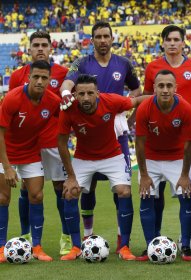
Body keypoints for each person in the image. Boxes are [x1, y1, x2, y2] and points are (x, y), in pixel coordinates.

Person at [60, 21, 141, 255]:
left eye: (106, 36)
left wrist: (128, 119)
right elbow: (68, 82)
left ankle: (120, 241)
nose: (103, 40)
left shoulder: (124, 63)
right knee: (88, 188)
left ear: (112, 38)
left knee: (122, 188)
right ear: (92, 40)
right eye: (98, 36)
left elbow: (136, 92)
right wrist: (66, 92)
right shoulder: (82, 62)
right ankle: (87, 238)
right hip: (88, 128)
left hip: (115, 128)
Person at [141, 25, 191, 258]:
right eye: (168, 39)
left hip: (187, 136)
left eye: (176, 39)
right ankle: (155, 239)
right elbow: (147, 96)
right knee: (156, 192)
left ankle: (188, 240)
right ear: (162, 42)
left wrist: (188, 105)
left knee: (189, 192)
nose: (172, 43)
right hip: (156, 140)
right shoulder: (153, 67)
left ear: (184, 42)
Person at [57, 74, 148, 261]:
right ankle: (75, 247)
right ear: (75, 94)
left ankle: (124, 247)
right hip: (83, 157)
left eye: (90, 93)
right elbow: (61, 144)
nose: (86, 98)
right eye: (81, 94)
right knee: (69, 192)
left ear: (98, 93)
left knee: (124, 191)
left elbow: (137, 99)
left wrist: (165, 97)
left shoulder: (111, 101)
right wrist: (71, 176)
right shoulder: (68, 110)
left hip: (112, 155)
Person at [8, 31, 71, 256]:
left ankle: (66, 237)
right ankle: (26, 237)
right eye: (36, 45)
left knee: (60, 188)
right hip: (28, 143)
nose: (41, 48)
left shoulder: (63, 74)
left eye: (45, 45)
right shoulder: (18, 75)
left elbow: (64, 110)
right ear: (30, 49)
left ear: (51, 48)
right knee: (28, 189)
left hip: (52, 142)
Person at [0, 60, 60, 262]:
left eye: (44, 78)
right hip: (5, 152)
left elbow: (68, 118)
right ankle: (0, 247)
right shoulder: (13, 98)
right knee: (2, 198)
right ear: (28, 77)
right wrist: (7, 167)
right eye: (36, 77)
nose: (40, 81)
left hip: (30, 153)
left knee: (37, 195)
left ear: (50, 80)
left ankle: (37, 247)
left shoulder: (52, 102)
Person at [136, 70, 191, 262]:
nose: (165, 89)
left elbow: (189, 144)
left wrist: (185, 175)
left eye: (169, 86)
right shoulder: (144, 108)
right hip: (151, 159)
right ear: (154, 88)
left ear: (175, 88)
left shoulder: (185, 109)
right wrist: (144, 175)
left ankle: (185, 246)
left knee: (186, 197)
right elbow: (139, 143)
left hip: (176, 158)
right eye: (161, 86)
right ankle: (149, 246)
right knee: (146, 198)